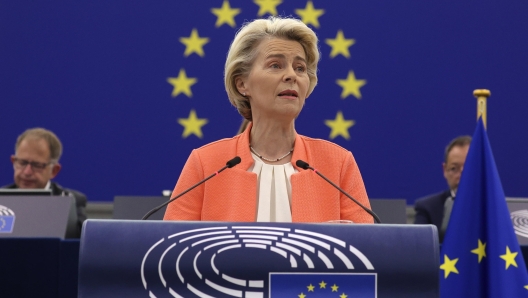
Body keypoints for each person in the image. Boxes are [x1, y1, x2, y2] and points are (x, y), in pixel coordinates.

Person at [164, 16, 373, 223]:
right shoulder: (206, 164)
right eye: (275, 65)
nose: (292, 75)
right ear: (242, 84)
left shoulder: (337, 164)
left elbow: (368, 251)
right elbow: (171, 251)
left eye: (300, 68)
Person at [3, 128, 87, 237]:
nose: (27, 172)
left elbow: (78, 245)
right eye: (22, 163)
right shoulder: (2, 199)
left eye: (37, 165)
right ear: (13, 162)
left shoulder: (70, 202)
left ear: (54, 170)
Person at [414, 135, 471, 241]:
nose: (462, 175)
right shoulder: (428, 208)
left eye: (469, 168)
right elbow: (417, 248)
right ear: (445, 170)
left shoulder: (495, 208)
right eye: (454, 168)